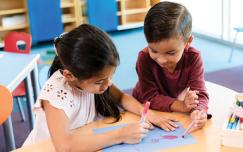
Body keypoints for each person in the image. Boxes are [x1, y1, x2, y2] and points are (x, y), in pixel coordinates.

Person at [23, 24, 177, 152]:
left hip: (83, 139)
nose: (108, 84)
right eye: (100, 81)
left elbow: (121, 97)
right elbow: (64, 147)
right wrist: (121, 135)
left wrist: (149, 114)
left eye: (111, 76)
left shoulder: (94, 78)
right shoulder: (56, 95)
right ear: (70, 76)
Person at [132, 1, 209, 131]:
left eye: (170, 52)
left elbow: (200, 93)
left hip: (171, 106)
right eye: (154, 50)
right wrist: (182, 106)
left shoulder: (193, 57)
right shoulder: (144, 58)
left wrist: (199, 111)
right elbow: (149, 97)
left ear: (187, 42)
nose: (161, 60)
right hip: (143, 108)